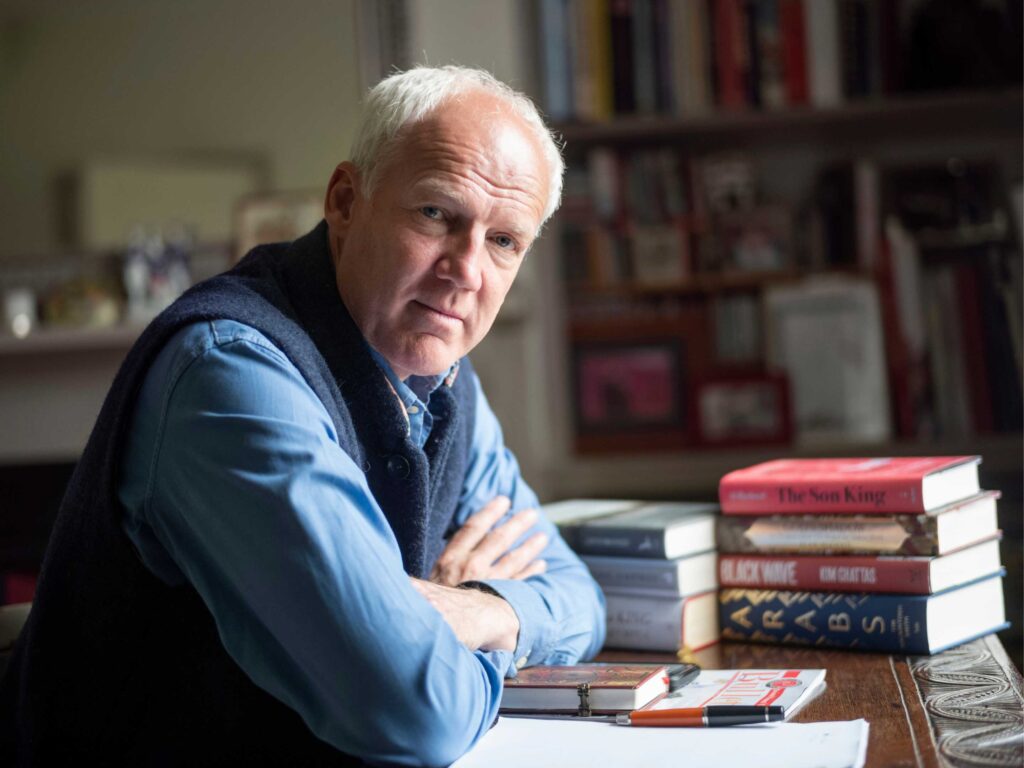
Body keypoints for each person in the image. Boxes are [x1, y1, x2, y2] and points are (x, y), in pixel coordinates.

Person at [0, 66, 605, 766]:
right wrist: (474, 632)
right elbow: (416, 714)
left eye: (504, 241)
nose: (467, 270)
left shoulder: (444, 380)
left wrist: (485, 610)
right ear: (346, 201)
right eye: (437, 214)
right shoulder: (228, 376)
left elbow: (579, 598)